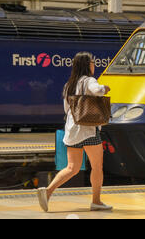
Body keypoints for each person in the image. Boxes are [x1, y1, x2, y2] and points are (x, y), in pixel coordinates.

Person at [36, 52, 112, 212]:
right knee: (97, 167)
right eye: (93, 62)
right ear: (87, 65)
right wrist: (105, 88)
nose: (94, 65)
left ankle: (48, 191)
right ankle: (96, 201)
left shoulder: (69, 84)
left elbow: (66, 108)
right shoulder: (89, 80)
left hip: (72, 130)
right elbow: (97, 91)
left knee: (72, 167)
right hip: (89, 130)